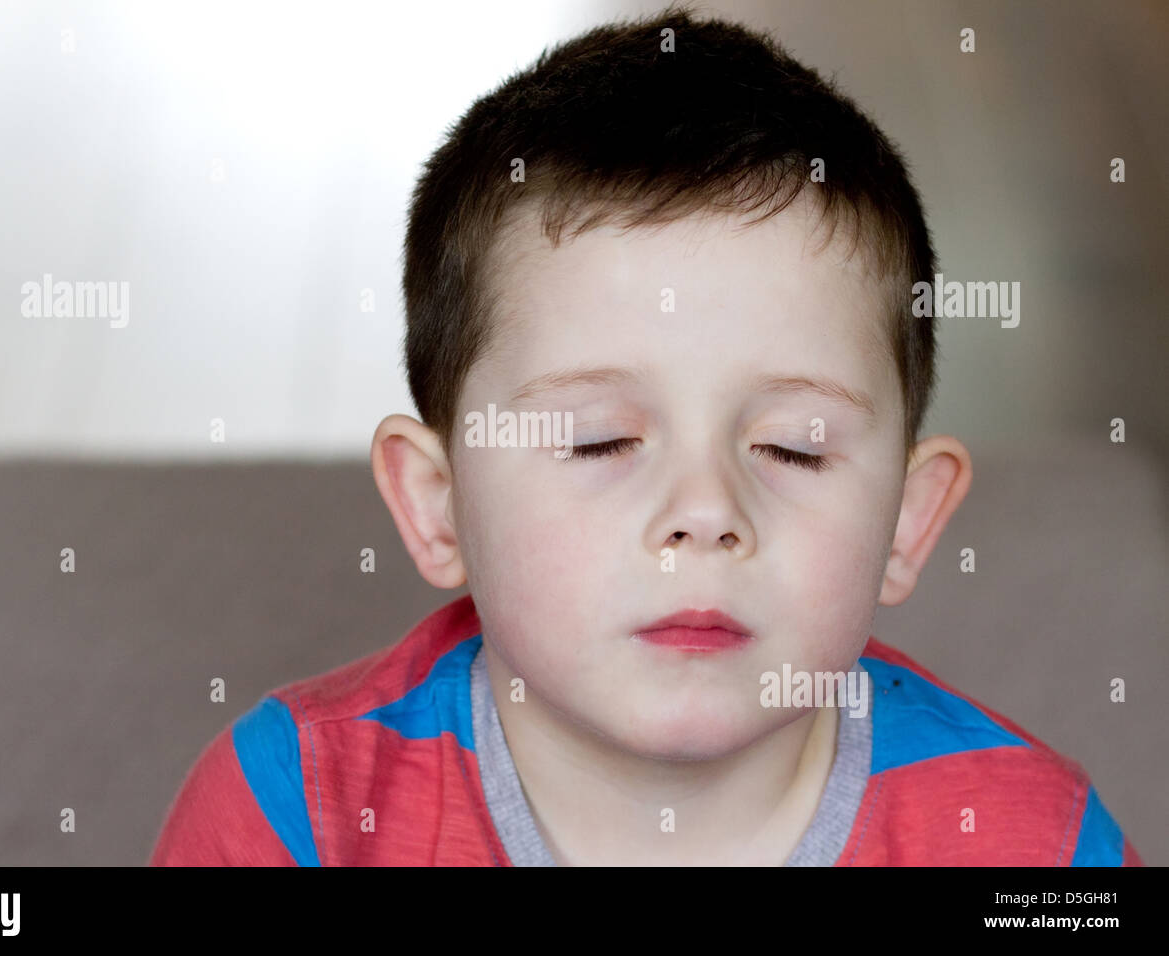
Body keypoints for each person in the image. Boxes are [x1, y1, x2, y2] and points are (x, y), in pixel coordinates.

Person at [150, 4, 1141, 866]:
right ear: (434, 500)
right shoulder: (296, 816)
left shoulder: (1033, 844)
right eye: (599, 440)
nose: (704, 513)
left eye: (793, 445)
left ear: (907, 522)